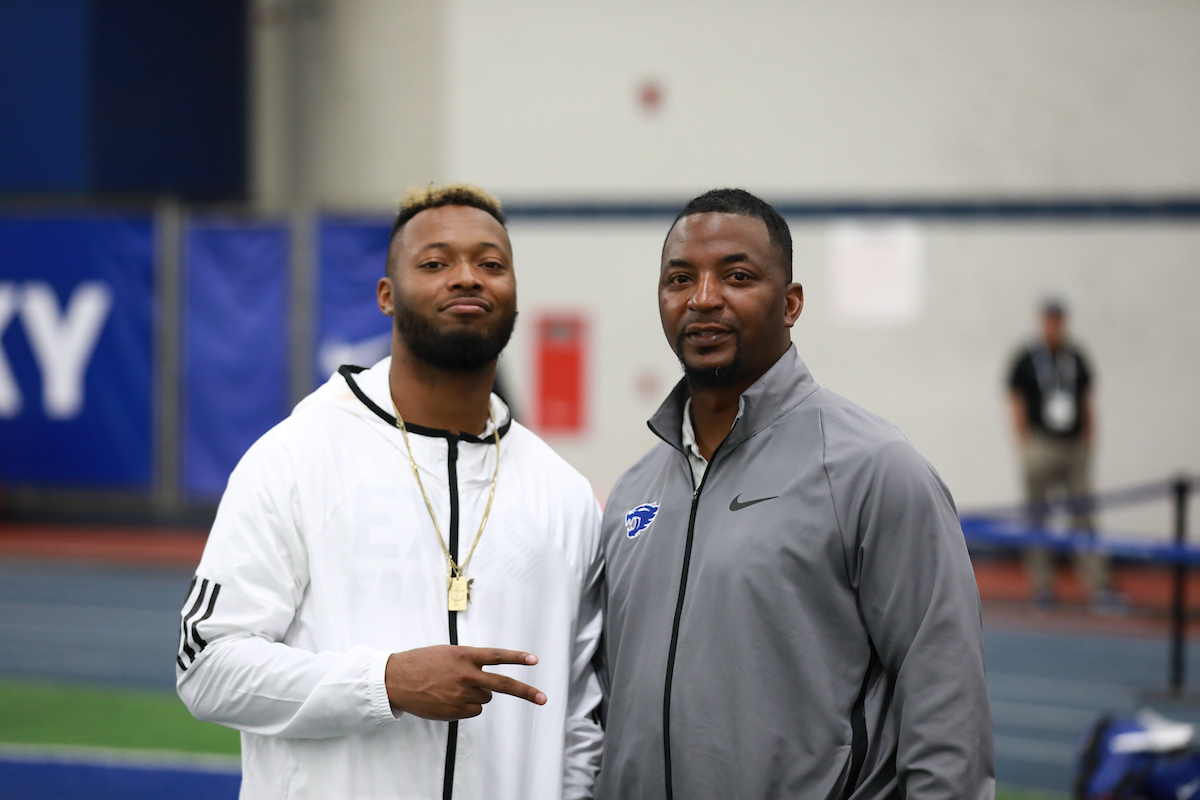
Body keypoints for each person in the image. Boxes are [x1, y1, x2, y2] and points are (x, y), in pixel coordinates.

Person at [176, 184, 604, 800]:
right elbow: (207, 667)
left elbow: (581, 721)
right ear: (386, 296)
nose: (466, 279)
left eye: (491, 264)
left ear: (513, 295)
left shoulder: (562, 495)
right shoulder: (296, 457)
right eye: (435, 263)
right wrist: (384, 682)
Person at [594, 188, 993, 800]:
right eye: (680, 278)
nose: (703, 298)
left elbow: (945, 693)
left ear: (791, 303)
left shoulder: (872, 468)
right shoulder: (633, 492)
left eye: (737, 276)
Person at [1007, 298, 1113, 610]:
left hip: (1073, 444)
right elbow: (1016, 399)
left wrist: (1090, 439)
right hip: (1041, 442)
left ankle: (1097, 584)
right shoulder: (1027, 358)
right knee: (1038, 515)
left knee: (1083, 514)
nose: (1054, 327)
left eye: (1058, 321)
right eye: (1049, 321)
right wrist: (1024, 441)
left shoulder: (1075, 356)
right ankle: (1042, 585)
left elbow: (1086, 399)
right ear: (1042, 323)